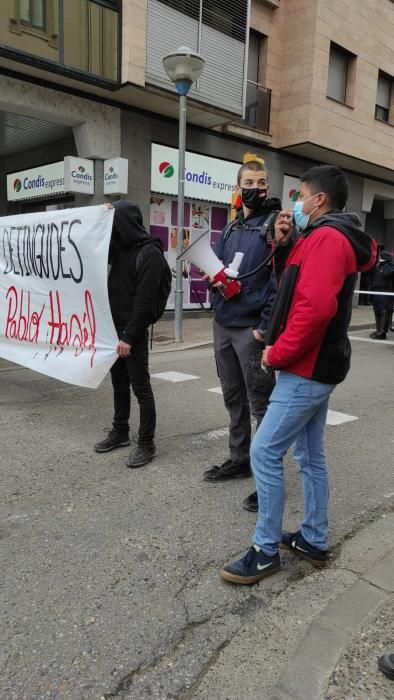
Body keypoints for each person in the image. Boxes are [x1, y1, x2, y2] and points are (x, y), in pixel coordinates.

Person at [220, 165, 377, 584]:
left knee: (264, 452)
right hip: (319, 364)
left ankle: (265, 549)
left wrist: (278, 352)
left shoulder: (327, 237)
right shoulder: (324, 237)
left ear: (318, 200)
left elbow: (314, 308)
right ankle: (312, 538)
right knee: (309, 456)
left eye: (300, 195)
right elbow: (300, 286)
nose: (296, 204)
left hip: (305, 367)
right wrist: (287, 246)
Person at [202, 161, 280, 502]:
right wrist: (210, 276)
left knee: (260, 404)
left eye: (261, 182)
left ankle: (267, 479)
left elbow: (279, 284)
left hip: (250, 330)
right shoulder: (232, 228)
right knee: (233, 397)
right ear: (238, 188)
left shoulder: (275, 227)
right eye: (249, 182)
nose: (256, 187)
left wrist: (264, 329)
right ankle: (239, 460)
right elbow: (217, 265)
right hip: (224, 323)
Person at [94, 200, 164, 468]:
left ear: (125, 225)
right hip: (113, 331)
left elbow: (144, 302)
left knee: (141, 388)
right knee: (119, 385)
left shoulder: (150, 255)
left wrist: (129, 337)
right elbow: (96, 247)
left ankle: (146, 443)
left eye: (115, 224)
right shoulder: (121, 250)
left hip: (129, 333)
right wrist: (101, 214)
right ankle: (120, 432)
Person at [369, 250, 394, 340]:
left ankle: (382, 333)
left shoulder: (390, 266)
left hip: (384, 292)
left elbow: (387, 273)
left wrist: (388, 263)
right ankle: (378, 330)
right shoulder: (378, 266)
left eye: (380, 256)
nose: (379, 258)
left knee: (383, 311)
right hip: (375, 292)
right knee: (376, 310)